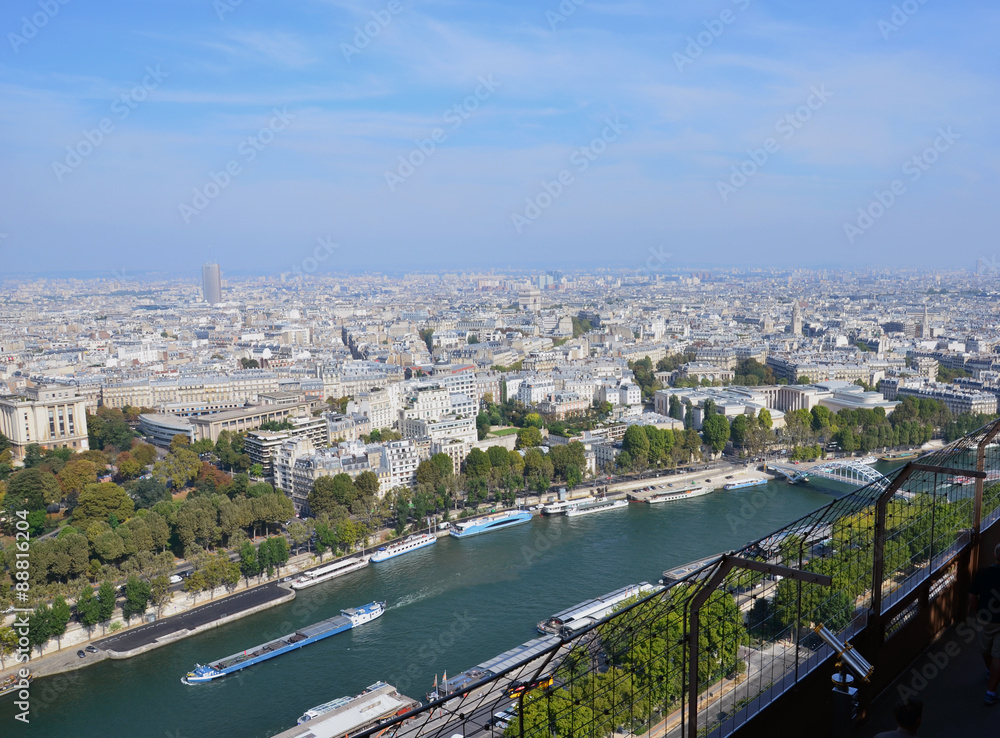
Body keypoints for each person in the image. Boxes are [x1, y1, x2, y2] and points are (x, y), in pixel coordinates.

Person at [969, 542, 1000, 705]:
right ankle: (991, 692)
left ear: (995, 555)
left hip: (986, 619)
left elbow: (972, 597)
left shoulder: (982, 573)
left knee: (985, 649)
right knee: (998, 656)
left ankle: (990, 672)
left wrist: (978, 613)